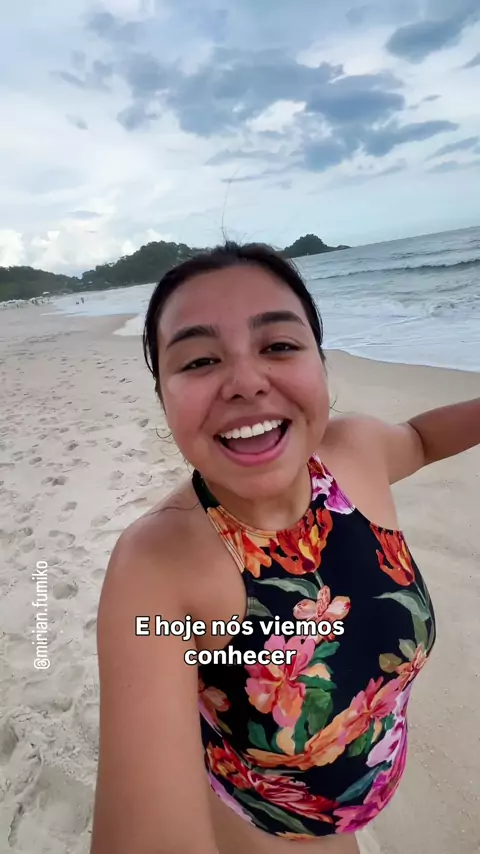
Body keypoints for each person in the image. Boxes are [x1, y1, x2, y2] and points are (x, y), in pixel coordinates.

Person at [90, 241, 479, 854]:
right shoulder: (157, 571)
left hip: (363, 790)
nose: (246, 382)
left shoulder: (356, 453)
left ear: (321, 364)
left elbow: (421, 438)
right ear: (163, 396)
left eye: (278, 346)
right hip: (272, 826)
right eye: (199, 360)